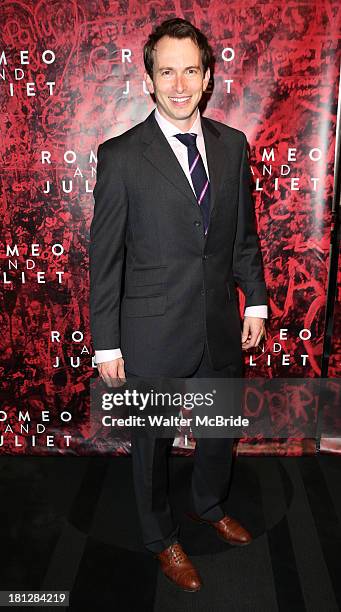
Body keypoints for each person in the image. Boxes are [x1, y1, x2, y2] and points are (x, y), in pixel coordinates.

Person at [89, 17, 268, 592]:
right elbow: (107, 256)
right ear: (148, 81)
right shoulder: (120, 156)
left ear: (209, 76)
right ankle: (159, 536)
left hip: (218, 325)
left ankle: (209, 505)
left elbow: (243, 237)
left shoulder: (232, 145)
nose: (180, 83)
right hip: (151, 334)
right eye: (167, 71)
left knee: (219, 430)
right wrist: (107, 342)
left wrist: (256, 304)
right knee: (151, 449)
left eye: (191, 69)